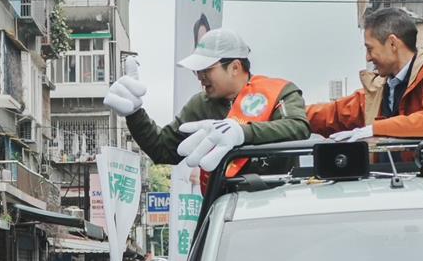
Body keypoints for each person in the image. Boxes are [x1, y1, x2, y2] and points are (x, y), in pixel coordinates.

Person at [103, 28, 310, 184]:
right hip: (223, 209)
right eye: (197, 72)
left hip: (279, 197)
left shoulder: (279, 92)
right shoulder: (200, 105)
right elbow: (163, 149)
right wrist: (135, 113)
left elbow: (298, 128)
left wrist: (243, 133)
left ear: (235, 67)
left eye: (206, 70)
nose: (200, 78)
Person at [307, 7, 423, 142]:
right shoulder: (377, 89)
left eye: (369, 48)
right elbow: (333, 114)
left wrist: (375, 129)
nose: (367, 57)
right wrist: (287, 111)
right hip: (387, 181)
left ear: (393, 43)